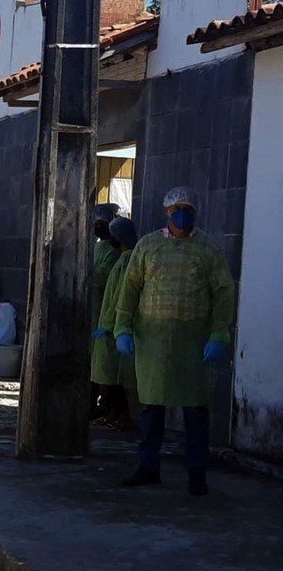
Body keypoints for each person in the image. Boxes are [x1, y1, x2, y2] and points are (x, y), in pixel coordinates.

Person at [114, 186, 235, 496]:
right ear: (166, 212)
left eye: (188, 210)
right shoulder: (147, 246)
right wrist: (122, 327)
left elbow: (223, 294)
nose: (182, 215)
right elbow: (130, 290)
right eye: (176, 209)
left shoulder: (208, 249)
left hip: (193, 341)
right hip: (152, 340)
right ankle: (148, 467)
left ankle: (196, 473)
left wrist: (218, 334)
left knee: (195, 411)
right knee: (152, 409)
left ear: (195, 213)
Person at [90, 216, 140, 431]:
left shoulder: (127, 262)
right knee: (109, 375)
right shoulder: (122, 259)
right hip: (109, 323)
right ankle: (113, 413)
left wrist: (109, 323)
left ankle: (123, 414)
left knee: (116, 375)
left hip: (115, 327)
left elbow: (120, 296)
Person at [90, 203, 121, 420]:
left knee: (106, 365)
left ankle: (108, 407)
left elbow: (100, 277)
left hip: (105, 312)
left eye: (102, 223)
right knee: (93, 363)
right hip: (92, 312)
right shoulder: (96, 248)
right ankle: (93, 404)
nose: (98, 226)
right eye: (96, 223)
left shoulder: (113, 252)